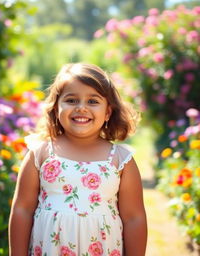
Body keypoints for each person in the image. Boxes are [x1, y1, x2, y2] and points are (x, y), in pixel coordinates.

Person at [9, 63, 147, 256]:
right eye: (71, 100)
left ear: (108, 112)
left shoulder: (119, 160)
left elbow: (134, 218)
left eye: (93, 101)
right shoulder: (41, 153)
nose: (81, 108)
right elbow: (22, 209)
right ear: (56, 107)